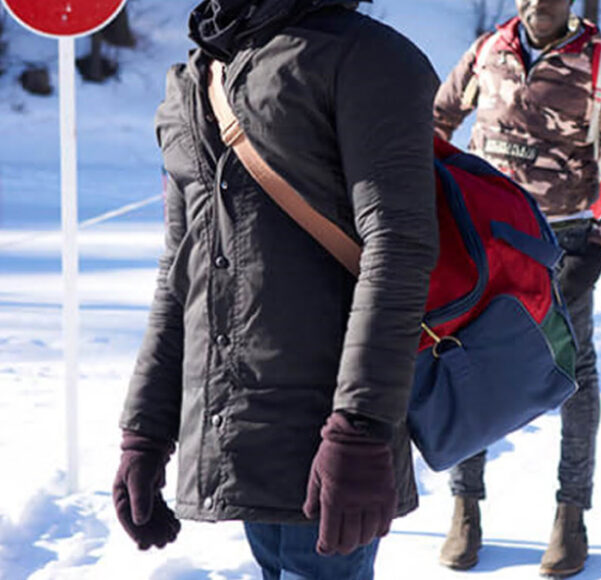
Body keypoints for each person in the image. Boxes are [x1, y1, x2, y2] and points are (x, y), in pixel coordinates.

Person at [112, 0, 439, 577]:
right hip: (239, 432)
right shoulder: (192, 80)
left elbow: (398, 246)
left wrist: (360, 429)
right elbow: (179, 270)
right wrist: (145, 431)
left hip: (331, 439)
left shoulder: (365, 58)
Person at [432, 0, 601, 576]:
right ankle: (465, 507)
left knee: (573, 375)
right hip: (481, 240)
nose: (539, 2)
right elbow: (433, 125)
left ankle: (570, 514)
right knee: (469, 367)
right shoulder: (487, 53)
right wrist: (440, 196)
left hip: (561, 246)